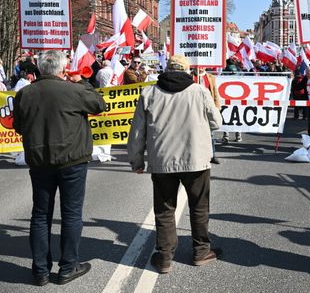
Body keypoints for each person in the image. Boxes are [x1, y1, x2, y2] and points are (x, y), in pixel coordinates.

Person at [12, 50, 106, 286]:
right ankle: (68, 267)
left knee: (40, 215)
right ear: (63, 70)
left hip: (40, 161)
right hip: (72, 161)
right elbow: (99, 104)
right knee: (71, 214)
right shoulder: (73, 90)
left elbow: (19, 127)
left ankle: (41, 270)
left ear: (40, 69)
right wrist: (82, 82)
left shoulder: (25, 93)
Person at [128, 55, 222, 274]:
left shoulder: (149, 92)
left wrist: (136, 160)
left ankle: (164, 258)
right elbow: (216, 123)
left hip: (162, 160)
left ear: (166, 69)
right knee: (199, 206)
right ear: (188, 71)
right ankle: (201, 251)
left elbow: (137, 131)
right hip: (196, 160)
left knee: (164, 210)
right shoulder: (199, 91)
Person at [194, 68, 223, 164]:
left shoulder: (211, 77)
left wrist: (217, 107)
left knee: (210, 133)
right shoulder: (190, 76)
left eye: (203, 66)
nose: (200, 67)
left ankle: (212, 155)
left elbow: (215, 93)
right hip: (194, 108)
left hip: (208, 108)